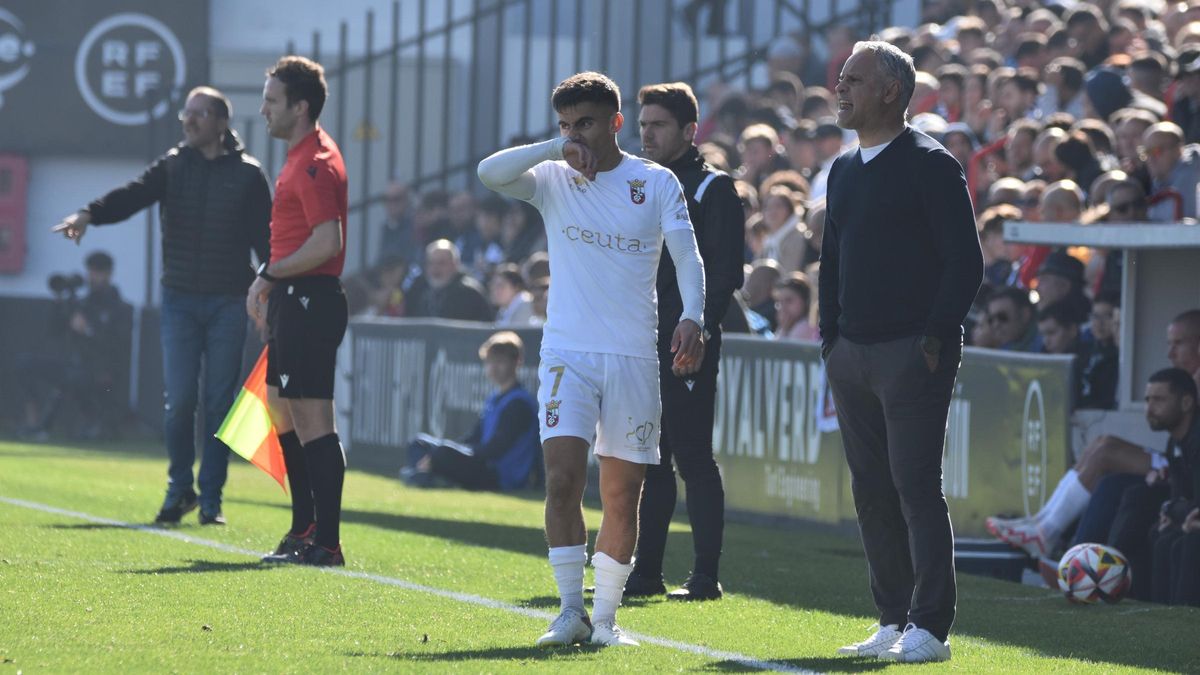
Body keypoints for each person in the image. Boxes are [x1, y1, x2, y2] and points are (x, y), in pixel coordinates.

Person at [477, 71, 706, 648]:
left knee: (622, 492)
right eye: (565, 124)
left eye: (584, 124)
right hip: (566, 355)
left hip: (632, 355)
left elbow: (688, 255)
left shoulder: (654, 182)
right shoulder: (553, 177)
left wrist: (694, 317)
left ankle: (605, 621)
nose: (575, 134)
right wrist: (556, 147)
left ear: (615, 123)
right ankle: (569, 610)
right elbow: (488, 172)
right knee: (560, 480)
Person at [821, 41, 983, 663]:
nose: (841, 88)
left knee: (915, 487)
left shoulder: (930, 164)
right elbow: (831, 261)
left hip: (912, 353)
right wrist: (830, 337)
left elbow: (964, 261)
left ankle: (930, 628)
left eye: (853, 79)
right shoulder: (843, 168)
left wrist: (935, 337)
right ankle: (891, 619)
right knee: (871, 491)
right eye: (842, 79)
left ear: (892, 91)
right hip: (852, 353)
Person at [52, 86, 272, 526]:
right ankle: (179, 489)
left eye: (198, 115)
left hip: (229, 301)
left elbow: (266, 241)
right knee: (179, 401)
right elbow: (132, 195)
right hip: (179, 300)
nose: (187, 122)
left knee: (218, 403)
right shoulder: (173, 166)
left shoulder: (248, 175)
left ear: (220, 122)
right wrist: (87, 214)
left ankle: (211, 497)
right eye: (185, 114)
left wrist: (267, 291)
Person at [630, 81, 744, 601]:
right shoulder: (641, 183)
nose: (646, 133)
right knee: (650, 458)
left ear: (689, 130)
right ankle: (646, 572)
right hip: (641, 339)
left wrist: (700, 327)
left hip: (687, 339)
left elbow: (724, 273)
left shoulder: (712, 189)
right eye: (643, 124)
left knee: (692, 457)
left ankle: (705, 576)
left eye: (658, 125)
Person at [989, 310, 1200, 560]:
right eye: (1169, 344)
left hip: (1184, 472)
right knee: (1103, 443)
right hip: (1175, 462)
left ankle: (1047, 531)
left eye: (1178, 343)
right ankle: (1041, 522)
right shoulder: (1187, 378)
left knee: (1106, 453)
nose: (1170, 353)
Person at [250, 56, 350, 567]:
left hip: (311, 297)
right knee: (281, 409)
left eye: (271, 100)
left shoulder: (316, 162)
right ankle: (304, 526)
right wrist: (273, 288)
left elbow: (326, 242)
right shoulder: (298, 155)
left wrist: (269, 276)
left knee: (314, 421)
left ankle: (326, 543)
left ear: (300, 106)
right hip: (295, 297)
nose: (263, 109)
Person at [403, 332, 539, 491]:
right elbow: (474, 437)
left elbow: (495, 450)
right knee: (419, 443)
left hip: (499, 475)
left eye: (500, 362)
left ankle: (426, 475)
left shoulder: (519, 403)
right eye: (489, 362)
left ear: (517, 362)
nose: (493, 368)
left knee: (442, 452)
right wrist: (452, 450)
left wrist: (448, 453)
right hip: (482, 462)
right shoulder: (494, 399)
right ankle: (428, 475)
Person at [17, 252, 131, 440]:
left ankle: (88, 422)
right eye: (91, 271)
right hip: (72, 365)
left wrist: (88, 330)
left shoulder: (120, 308)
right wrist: (59, 303)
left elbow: (118, 346)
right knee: (24, 364)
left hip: (98, 370)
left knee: (74, 377)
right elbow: (54, 331)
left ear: (109, 274)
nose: (93, 277)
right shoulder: (83, 303)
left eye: (98, 272)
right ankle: (33, 420)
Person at [404, 240, 494, 322]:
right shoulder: (418, 288)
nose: (435, 268)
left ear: (455, 264)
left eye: (441, 263)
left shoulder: (471, 293)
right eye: (431, 263)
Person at [773, 273, 820, 341]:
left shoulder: (804, 326)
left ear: (805, 301)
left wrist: (785, 329)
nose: (782, 307)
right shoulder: (787, 325)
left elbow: (783, 350)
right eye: (779, 301)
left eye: (789, 300)